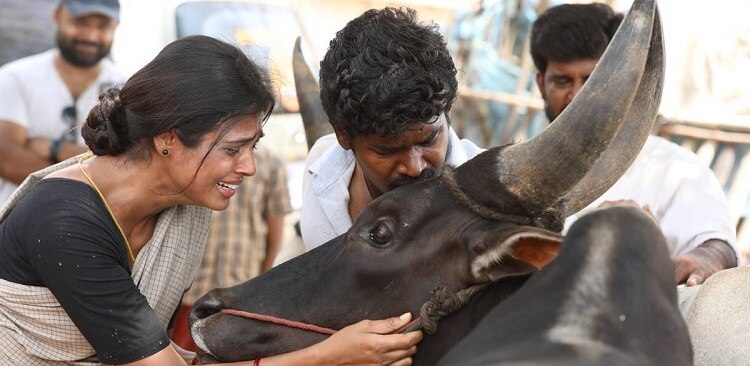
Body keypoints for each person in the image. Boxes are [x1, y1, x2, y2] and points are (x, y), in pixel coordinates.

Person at [0, 35, 422, 366]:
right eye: (233, 149)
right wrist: (326, 360)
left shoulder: (184, 206)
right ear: (168, 139)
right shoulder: (66, 222)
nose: (250, 167)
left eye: (253, 147)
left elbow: (157, 360)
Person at [530, 3, 738, 286]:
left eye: (593, 80)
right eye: (563, 81)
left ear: (622, 83)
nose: (578, 96)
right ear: (542, 84)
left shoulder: (676, 169)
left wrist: (706, 259)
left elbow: (717, 245)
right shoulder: (518, 173)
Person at [300, 7, 484, 250]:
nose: (414, 167)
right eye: (387, 151)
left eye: (428, 140)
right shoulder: (320, 170)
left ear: (447, 115)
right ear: (343, 136)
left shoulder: (489, 201)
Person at [154, 146, 292, 366]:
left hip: (237, 296)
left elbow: (275, 230)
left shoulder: (270, 165)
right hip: (189, 294)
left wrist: (257, 286)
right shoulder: (198, 158)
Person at [0, 0, 126, 206]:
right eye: (80, 22)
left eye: (102, 26)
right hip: (15, 220)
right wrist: (95, 170)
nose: (91, 36)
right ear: (58, 16)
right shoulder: (14, 78)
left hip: (88, 224)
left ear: (115, 27)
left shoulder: (125, 88)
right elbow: (7, 160)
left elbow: (126, 164)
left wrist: (54, 148)